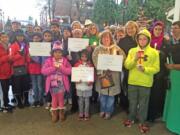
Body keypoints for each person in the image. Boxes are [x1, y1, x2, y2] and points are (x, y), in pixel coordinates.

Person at [123, 29, 160, 133]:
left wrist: (145, 69)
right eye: (140, 39)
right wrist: (134, 59)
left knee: (143, 104)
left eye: (144, 39)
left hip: (145, 82)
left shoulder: (154, 52)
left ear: (148, 40)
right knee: (132, 102)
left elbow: (156, 68)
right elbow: (127, 65)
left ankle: (142, 122)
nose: (142, 41)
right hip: (133, 82)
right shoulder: (132, 51)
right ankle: (131, 118)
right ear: (137, 40)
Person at [92, 30, 126, 119]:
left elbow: (123, 58)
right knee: (103, 95)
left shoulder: (116, 48)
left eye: (108, 37)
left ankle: (108, 111)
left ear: (111, 38)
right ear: (101, 39)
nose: (106, 39)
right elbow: (95, 60)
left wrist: (118, 60)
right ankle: (102, 109)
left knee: (111, 96)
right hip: (103, 75)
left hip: (114, 75)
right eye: (104, 37)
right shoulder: (97, 49)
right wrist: (101, 69)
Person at [41, 41, 71, 122]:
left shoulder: (65, 61)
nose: (58, 54)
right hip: (52, 84)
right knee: (54, 98)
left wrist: (62, 68)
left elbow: (69, 71)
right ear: (52, 53)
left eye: (59, 52)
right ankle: (55, 113)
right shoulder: (48, 61)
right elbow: (43, 71)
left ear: (62, 53)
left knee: (61, 98)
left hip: (62, 84)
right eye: (56, 52)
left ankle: (61, 112)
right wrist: (53, 68)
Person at [147, 21, 169, 122]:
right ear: (153, 29)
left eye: (160, 29)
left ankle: (153, 115)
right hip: (148, 71)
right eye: (156, 29)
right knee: (147, 93)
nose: (158, 31)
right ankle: (145, 112)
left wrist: (162, 53)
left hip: (159, 73)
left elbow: (168, 56)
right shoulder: (148, 40)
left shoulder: (165, 42)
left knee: (156, 94)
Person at [163, 21, 180, 135]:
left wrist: (174, 66)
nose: (173, 30)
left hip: (178, 73)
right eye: (172, 27)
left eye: (176, 28)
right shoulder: (170, 42)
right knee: (171, 97)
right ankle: (169, 121)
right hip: (172, 74)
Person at [118, 21, 139, 112]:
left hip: (137, 67)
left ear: (136, 28)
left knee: (135, 87)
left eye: (132, 28)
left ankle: (134, 105)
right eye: (128, 28)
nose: (130, 30)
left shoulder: (139, 39)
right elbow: (119, 53)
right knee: (125, 85)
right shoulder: (122, 40)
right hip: (126, 67)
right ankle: (125, 104)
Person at [9, 30, 30, 109]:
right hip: (16, 69)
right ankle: (19, 102)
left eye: (21, 36)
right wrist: (19, 55)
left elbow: (27, 56)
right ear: (16, 37)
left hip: (24, 68)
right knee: (17, 86)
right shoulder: (12, 46)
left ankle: (26, 100)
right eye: (18, 36)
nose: (20, 38)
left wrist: (29, 58)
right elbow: (10, 58)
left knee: (26, 85)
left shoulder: (25, 45)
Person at [74, 49, 94, 121]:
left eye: (85, 57)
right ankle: (81, 113)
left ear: (88, 57)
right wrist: (76, 80)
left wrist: (90, 82)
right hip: (79, 86)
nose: (84, 58)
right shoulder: (77, 65)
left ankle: (86, 113)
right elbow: (74, 75)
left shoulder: (90, 65)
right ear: (80, 57)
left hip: (87, 86)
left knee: (87, 100)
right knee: (80, 100)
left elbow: (93, 75)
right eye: (82, 56)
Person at [28, 33, 44, 107]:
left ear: (40, 39)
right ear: (32, 39)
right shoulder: (30, 47)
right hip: (32, 69)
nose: (36, 39)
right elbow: (27, 59)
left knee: (40, 86)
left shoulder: (43, 47)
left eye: (37, 38)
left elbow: (41, 60)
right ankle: (36, 100)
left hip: (40, 69)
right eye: (34, 38)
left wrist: (33, 58)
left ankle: (40, 99)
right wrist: (29, 57)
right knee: (34, 86)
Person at [0, 32, 12, 112]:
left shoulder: (9, 46)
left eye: (6, 37)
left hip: (8, 72)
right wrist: (7, 57)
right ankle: (3, 106)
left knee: (7, 89)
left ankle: (7, 103)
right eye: (3, 37)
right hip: (1, 73)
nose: (5, 38)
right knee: (3, 90)